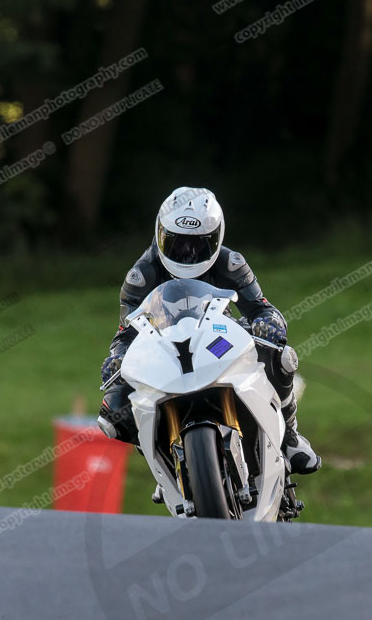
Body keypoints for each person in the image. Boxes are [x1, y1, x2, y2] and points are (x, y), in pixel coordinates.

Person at [98, 186, 321, 480]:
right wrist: (117, 358)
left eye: (197, 245)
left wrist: (270, 324)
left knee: (283, 357)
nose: (187, 254)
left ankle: (290, 439)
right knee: (113, 408)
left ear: (216, 238)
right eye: (177, 244)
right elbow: (125, 333)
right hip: (163, 349)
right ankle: (163, 466)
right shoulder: (141, 276)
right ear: (160, 234)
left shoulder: (231, 263)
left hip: (217, 338)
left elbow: (262, 308)